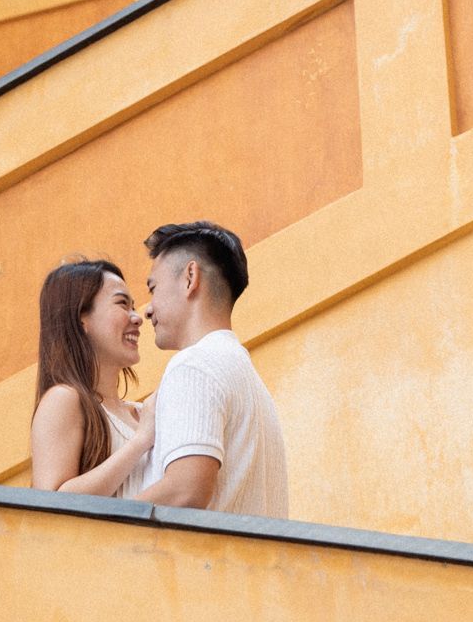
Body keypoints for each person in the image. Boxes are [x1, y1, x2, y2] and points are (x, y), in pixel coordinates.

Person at [141, 221, 288, 518]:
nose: (147, 309)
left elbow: (187, 489)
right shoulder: (248, 379)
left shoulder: (194, 365)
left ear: (190, 277)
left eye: (153, 288)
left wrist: (101, 520)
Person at [30, 257, 155, 497]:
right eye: (122, 304)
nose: (137, 317)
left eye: (133, 306)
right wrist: (141, 441)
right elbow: (51, 504)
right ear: (81, 319)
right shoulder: (63, 399)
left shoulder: (142, 413)